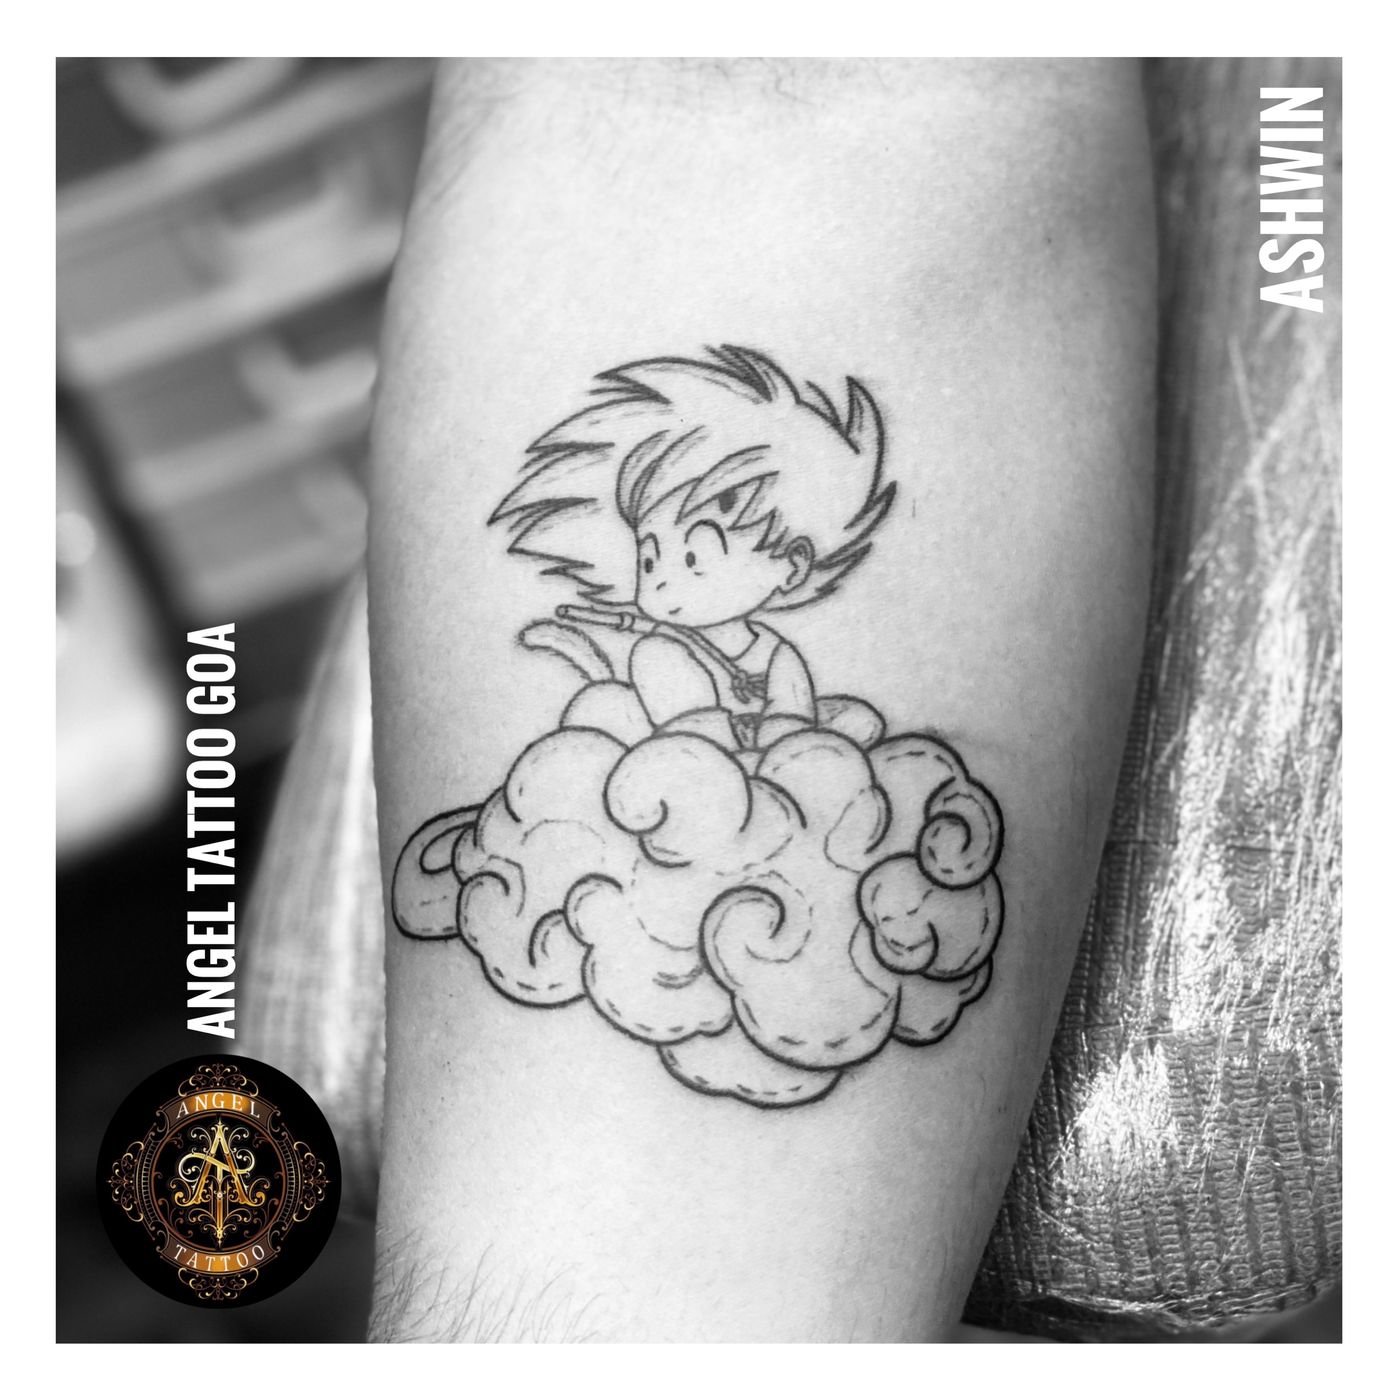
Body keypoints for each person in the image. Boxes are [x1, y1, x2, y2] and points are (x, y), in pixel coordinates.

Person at [367, 57, 1154, 1341]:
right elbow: (702, 103)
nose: (664, 573)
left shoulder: (775, 664)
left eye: (700, 547)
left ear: (782, 567)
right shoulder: (643, 663)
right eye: (655, 545)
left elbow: (803, 101)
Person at [490, 344, 894, 753]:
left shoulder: (775, 655)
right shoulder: (661, 651)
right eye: (649, 561)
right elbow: (688, 730)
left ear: (792, 567)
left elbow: (795, 724)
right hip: (687, 760)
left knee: (856, 722)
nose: (662, 583)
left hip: (761, 761)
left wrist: (781, 734)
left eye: (693, 559)